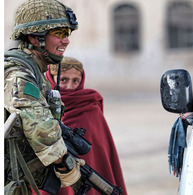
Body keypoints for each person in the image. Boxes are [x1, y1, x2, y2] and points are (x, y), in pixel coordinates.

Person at [4, 0, 84, 194]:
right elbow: (37, 122)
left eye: (68, 34)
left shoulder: (35, 70)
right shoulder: (18, 73)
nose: (66, 40)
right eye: (59, 34)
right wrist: (64, 162)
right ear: (34, 37)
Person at [45, 56, 128, 195]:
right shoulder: (39, 106)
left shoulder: (89, 107)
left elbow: (98, 157)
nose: (70, 87)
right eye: (63, 80)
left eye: (75, 81)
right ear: (51, 79)